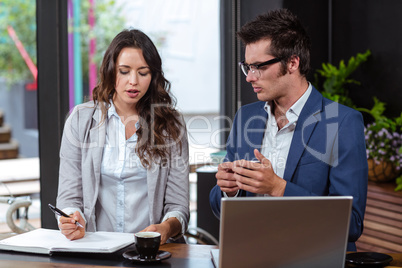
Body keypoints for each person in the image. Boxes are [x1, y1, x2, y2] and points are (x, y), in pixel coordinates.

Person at [209, 9, 368, 251]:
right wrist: (228, 191)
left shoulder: (343, 122)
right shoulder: (245, 117)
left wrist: (278, 188)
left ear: (293, 63)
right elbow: (220, 206)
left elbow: (351, 224)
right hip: (250, 254)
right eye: (247, 67)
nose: (250, 77)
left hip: (313, 258)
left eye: (258, 66)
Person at [56, 29, 189, 244]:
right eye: (124, 71)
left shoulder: (170, 125)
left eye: (143, 72)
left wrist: (166, 227)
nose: (133, 81)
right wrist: (71, 217)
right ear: (110, 71)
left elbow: (178, 206)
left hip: (150, 251)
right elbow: (69, 196)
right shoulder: (80, 119)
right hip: (96, 248)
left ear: (153, 76)